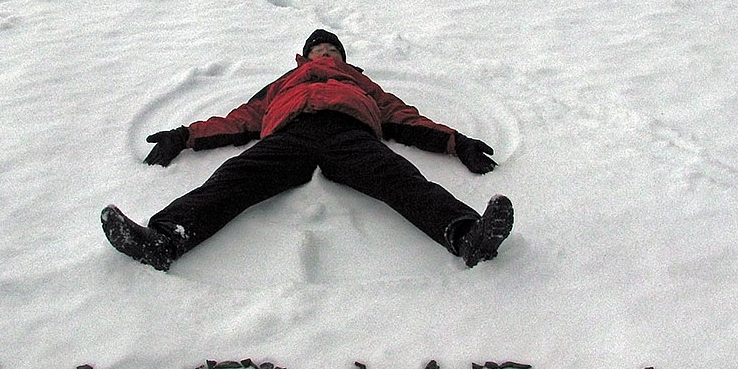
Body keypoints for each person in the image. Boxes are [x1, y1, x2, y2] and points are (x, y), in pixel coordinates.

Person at [101, 29, 513, 271]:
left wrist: (457, 142)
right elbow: (244, 118)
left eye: (333, 50)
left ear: (343, 57)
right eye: (319, 49)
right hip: (288, 136)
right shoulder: (284, 83)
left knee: (399, 178)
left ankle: (466, 235)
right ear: (305, 56)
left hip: (350, 135)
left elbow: (403, 117)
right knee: (233, 179)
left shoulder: (360, 84)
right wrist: (186, 135)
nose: (327, 53)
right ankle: (163, 239)